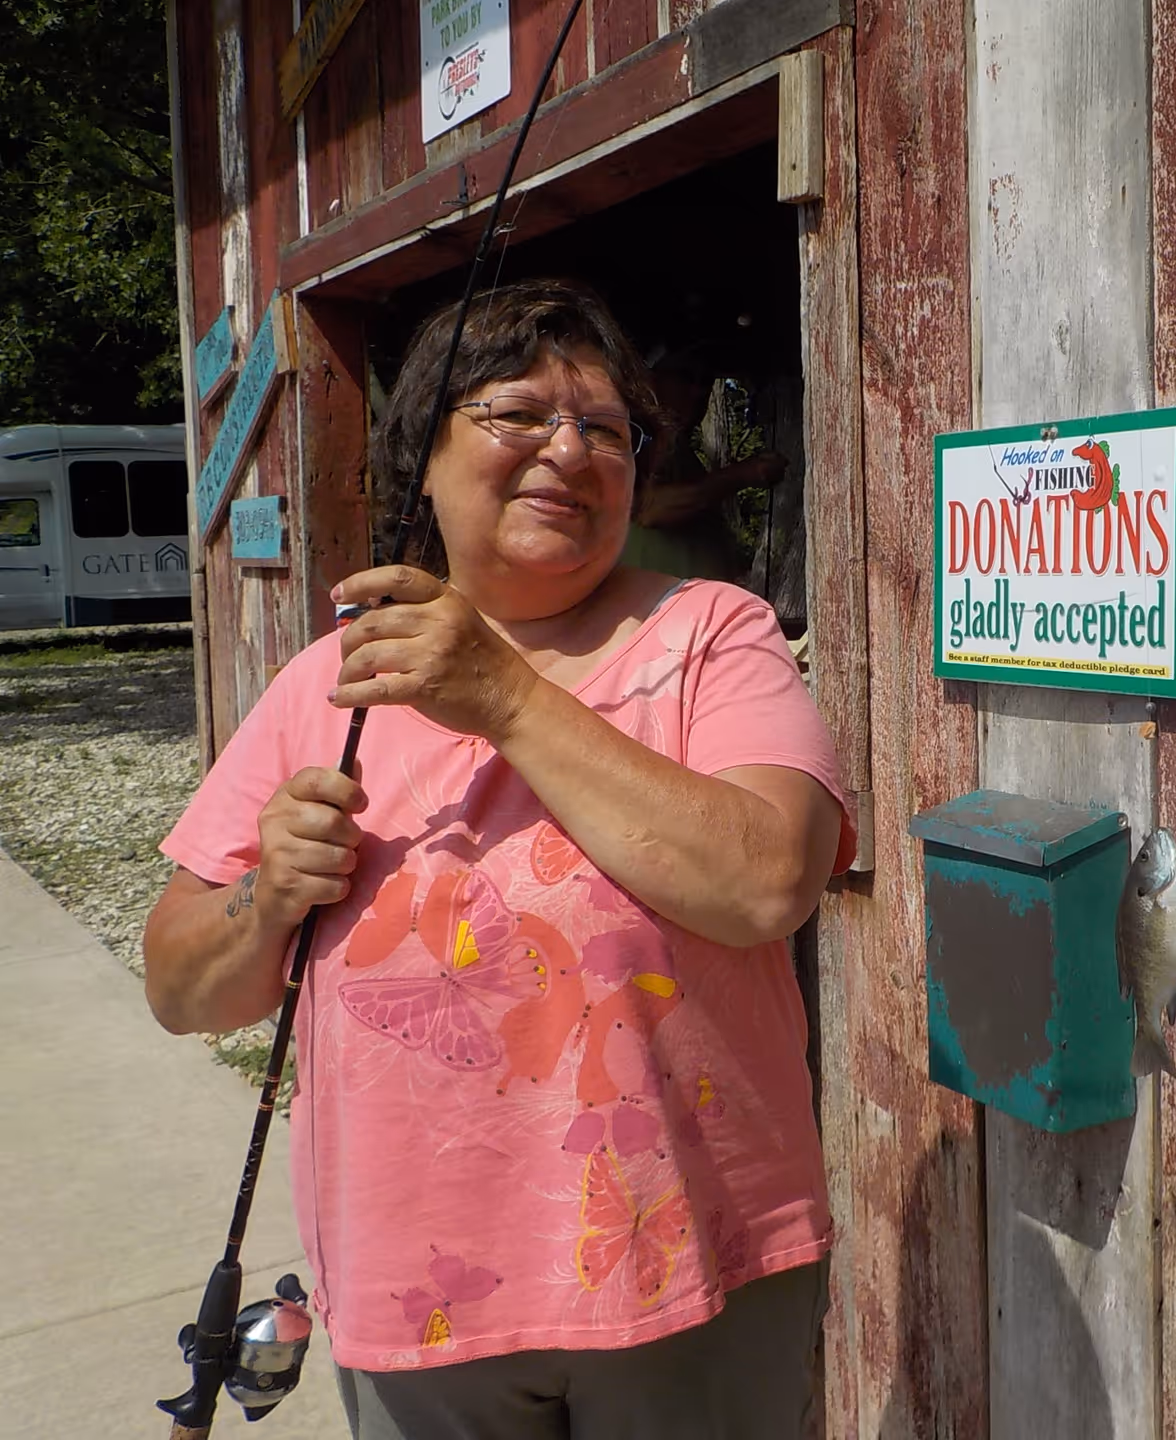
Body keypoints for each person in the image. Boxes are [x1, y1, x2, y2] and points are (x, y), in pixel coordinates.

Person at [143, 279, 854, 1440]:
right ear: (422, 457)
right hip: (411, 1292)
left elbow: (768, 881)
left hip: (693, 1274)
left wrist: (500, 692)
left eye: (608, 428)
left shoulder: (712, 634)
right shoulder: (322, 684)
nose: (567, 450)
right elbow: (180, 988)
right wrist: (265, 901)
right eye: (518, 414)